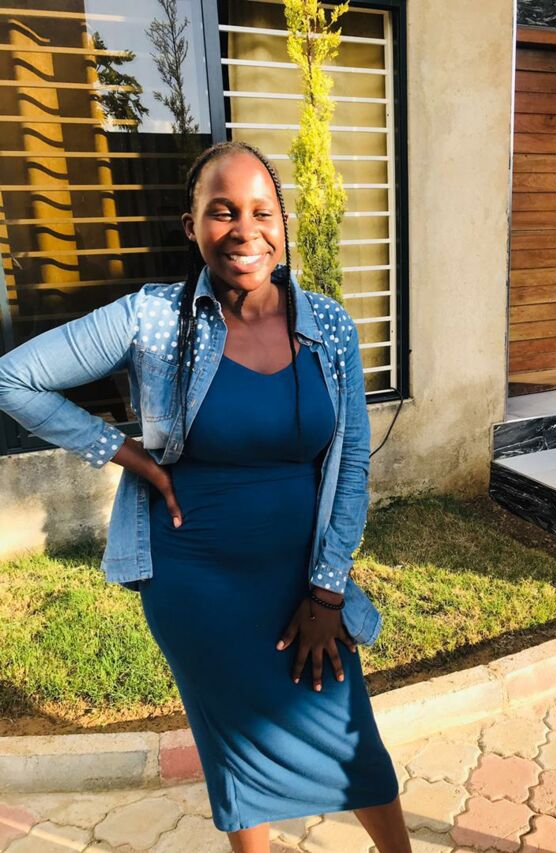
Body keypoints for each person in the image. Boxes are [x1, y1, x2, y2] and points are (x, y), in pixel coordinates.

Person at [0, 140, 412, 853]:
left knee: (351, 741)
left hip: (304, 583)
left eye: (261, 211)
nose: (244, 230)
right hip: (196, 584)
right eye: (222, 212)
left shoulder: (328, 327)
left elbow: (350, 468)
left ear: (283, 222)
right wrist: (125, 453)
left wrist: (327, 593)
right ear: (191, 226)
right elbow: (15, 377)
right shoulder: (153, 319)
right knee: (236, 755)